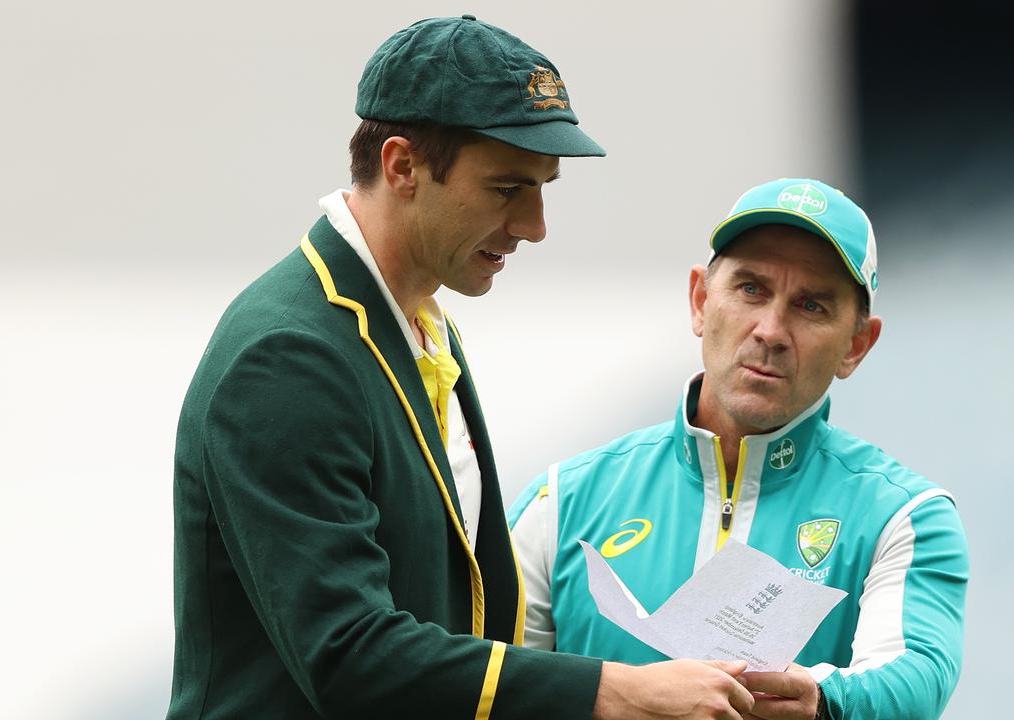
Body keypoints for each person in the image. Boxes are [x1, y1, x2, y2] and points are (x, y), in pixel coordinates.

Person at [168, 15, 755, 720]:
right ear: (402, 167)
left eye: (543, 187)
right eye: (508, 189)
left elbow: (463, 619)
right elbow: (349, 655)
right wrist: (613, 692)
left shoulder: (419, 320)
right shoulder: (288, 358)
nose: (535, 225)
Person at [509, 178, 970, 719]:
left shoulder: (905, 517)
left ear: (856, 345)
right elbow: (490, 683)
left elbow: (915, 676)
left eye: (811, 305)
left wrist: (824, 703)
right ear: (701, 302)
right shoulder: (561, 504)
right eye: (751, 289)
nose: (771, 330)